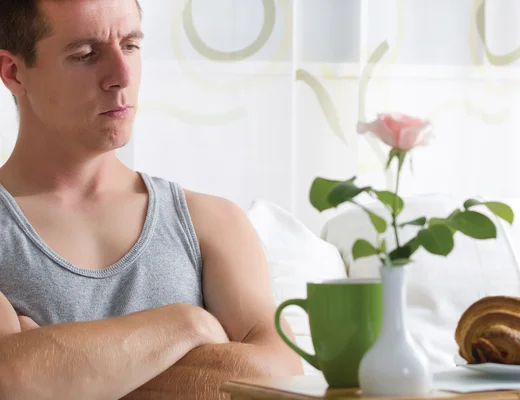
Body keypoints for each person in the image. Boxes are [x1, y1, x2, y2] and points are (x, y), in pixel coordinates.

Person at [0, 0, 303, 398]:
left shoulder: (209, 221)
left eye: (130, 45)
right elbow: (12, 377)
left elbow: (281, 379)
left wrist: (70, 376)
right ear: (14, 72)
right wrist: (187, 324)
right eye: (85, 54)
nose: (121, 76)